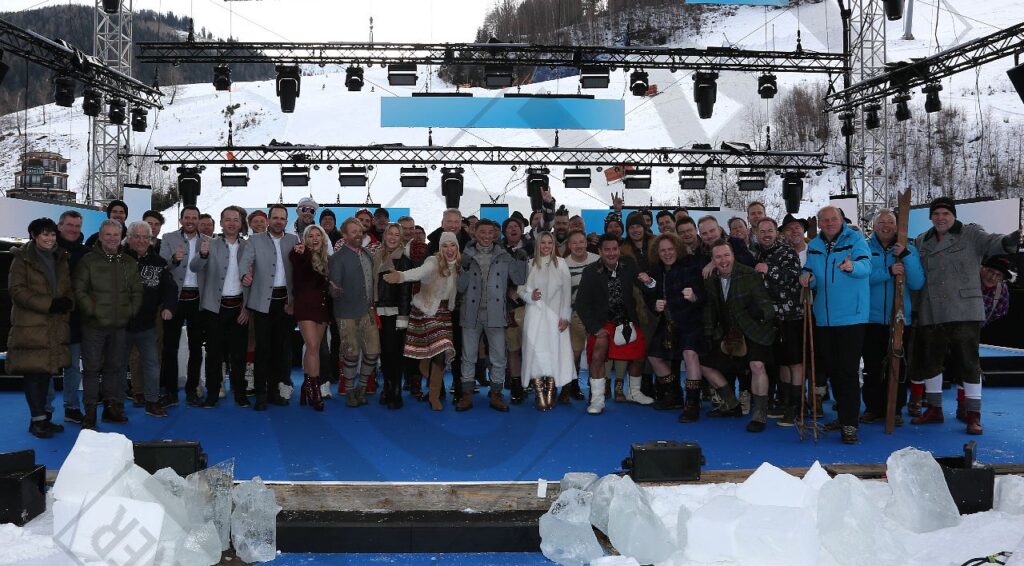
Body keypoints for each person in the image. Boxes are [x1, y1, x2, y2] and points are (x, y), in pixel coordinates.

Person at [910, 197, 1019, 434]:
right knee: (931, 363)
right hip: (932, 310)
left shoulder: (971, 234)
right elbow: (917, 278)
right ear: (930, 217)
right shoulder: (921, 241)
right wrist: (916, 310)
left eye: (945, 214)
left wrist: (1009, 241)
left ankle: (973, 415)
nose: (941, 218)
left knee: (969, 364)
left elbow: (993, 242)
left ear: (954, 216)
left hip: (964, 310)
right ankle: (934, 409)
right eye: (936, 214)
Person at [799, 206, 872, 444]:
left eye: (834, 219)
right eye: (825, 220)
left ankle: (850, 423)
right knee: (832, 370)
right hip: (824, 317)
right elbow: (810, 270)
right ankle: (843, 416)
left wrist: (852, 267)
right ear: (819, 223)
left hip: (851, 316)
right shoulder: (815, 245)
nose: (830, 223)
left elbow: (866, 266)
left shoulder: (855, 239)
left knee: (848, 371)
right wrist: (806, 277)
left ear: (842, 220)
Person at [701, 240, 777, 432]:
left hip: (754, 329)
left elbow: (768, 307)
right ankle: (731, 403)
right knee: (704, 364)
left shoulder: (749, 274)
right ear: (713, 260)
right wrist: (708, 334)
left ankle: (759, 413)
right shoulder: (710, 279)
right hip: (728, 332)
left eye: (726, 255)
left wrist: (761, 313)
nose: (723, 260)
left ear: (733, 256)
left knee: (757, 365)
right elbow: (710, 309)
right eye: (718, 257)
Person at [8, 218, 73, 438]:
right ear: (34, 236)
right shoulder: (22, 259)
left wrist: (67, 302)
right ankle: (37, 421)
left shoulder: (60, 257)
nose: (50, 238)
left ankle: (43, 419)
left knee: (45, 375)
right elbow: (17, 291)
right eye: (45, 234)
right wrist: (48, 304)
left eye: (52, 234)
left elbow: (67, 287)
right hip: (30, 326)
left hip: (54, 326)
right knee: (34, 375)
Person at [74, 219, 142, 428]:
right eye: (108, 234)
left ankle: (111, 409)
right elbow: (79, 291)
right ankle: (90, 412)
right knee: (92, 370)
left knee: (115, 368)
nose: (112, 238)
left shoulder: (129, 262)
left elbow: (137, 292)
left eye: (116, 234)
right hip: (93, 327)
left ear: (121, 236)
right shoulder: (88, 261)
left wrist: (129, 313)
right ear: (100, 236)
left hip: (119, 326)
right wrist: (93, 312)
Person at [575, 234, 652, 415]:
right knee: (597, 355)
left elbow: (645, 286)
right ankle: (597, 399)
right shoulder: (590, 272)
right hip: (603, 323)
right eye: (607, 250)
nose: (611, 253)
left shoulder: (629, 265)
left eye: (614, 249)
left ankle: (634, 392)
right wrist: (595, 328)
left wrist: (649, 281)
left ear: (619, 250)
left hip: (627, 320)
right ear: (600, 251)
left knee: (640, 356)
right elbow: (581, 304)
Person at [383, 231, 461, 411]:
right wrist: (400, 276)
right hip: (426, 311)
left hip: (444, 313)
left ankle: (432, 387)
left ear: (457, 248)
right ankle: (434, 395)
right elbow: (418, 272)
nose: (449, 249)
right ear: (440, 248)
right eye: (445, 246)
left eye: (452, 245)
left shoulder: (458, 265)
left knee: (439, 353)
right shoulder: (433, 262)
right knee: (441, 350)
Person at [456, 219, 528, 412]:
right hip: (471, 312)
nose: (487, 236)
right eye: (482, 232)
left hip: (495, 312)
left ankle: (496, 393)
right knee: (468, 356)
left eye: (490, 232)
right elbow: (460, 287)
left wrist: (521, 260)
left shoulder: (504, 255)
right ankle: (467, 393)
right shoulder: (465, 255)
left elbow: (520, 279)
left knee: (499, 357)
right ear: (475, 233)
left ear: (496, 234)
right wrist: (463, 268)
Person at [860, 210, 925, 426]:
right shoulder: (864, 248)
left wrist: (906, 256)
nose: (886, 226)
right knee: (872, 365)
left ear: (897, 226)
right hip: (871, 318)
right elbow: (862, 278)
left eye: (890, 222)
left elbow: (917, 283)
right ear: (874, 226)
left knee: (898, 365)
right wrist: (888, 271)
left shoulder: (908, 249)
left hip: (899, 318)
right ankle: (873, 407)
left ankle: (895, 408)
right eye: (881, 222)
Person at [240, 203, 298, 410]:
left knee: (279, 350)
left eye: (282, 218)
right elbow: (244, 263)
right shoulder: (254, 240)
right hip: (262, 302)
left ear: (286, 221)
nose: (279, 221)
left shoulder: (294, 240)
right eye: (275, 218)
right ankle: (261, 395)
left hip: (285, 303)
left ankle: (274, 392)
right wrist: (244, 275)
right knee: (262, 349)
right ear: (269, 219)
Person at [190, 206, 249, 408]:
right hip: (214, 308)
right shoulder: (209, 243)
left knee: (238, 355)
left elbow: (254, 278)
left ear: (240, 223)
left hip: (239, 307)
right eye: (228, 219)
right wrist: (202, 255)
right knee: (213, 354)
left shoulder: (247, 246)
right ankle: (212, 394)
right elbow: (194, 267)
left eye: (235, 219)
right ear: (221, 223)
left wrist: (246, 308)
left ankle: (240, 394)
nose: (232, 223)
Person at [642, 233, 704, 417]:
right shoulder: (655, 270)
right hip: (668, 321)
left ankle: (693, 403)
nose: (667, 253)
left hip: (691, 320)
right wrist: (655, 305)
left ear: (677, 249)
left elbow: (704, 294)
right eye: (663, 250)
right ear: (657, 252)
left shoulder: (691, 265)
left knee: (690, 354)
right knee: (654, 356)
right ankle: (674, 395)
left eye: (670, 249)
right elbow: (649, 296)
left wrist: (694, 297)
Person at [750, 218, 805, 427]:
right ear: (756, 233)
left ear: (776, 233)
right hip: (771, 318)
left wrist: (768, 270)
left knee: (794, 362)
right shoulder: (757, 254)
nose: (766, 234)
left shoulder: (787, 252)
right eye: (762, 231)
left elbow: (793, 278)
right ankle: (785, 402)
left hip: (790, 316)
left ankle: (796, 407)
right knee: (782, 362)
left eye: (770, 230)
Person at [123, 221, 177, 418]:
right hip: (121, 323)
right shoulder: (117, 260)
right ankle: (116, 404)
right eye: (137, 236)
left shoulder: (159, 263)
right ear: (129, 238)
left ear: (151, 239)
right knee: (118, 365)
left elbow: (170, 288)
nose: (141, 241)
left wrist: (169, 307)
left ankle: (152, 402)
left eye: (145, 237)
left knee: (152, 364)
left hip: (147, 323)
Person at [159, 206, 210, 407]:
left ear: (198, 220)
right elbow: (162, 266)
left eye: (194, 218)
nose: (190, 221)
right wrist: (174, 260)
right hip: (174, 299)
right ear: (181, 220)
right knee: (169, 347)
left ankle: (192, 390)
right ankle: (170, 391)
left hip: (198, 299)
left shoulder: (208, 241)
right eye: (187, 217)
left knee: (196, 348)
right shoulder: (168, 238)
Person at [518, 232, 574, 411]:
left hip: (556, 318)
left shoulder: (561, 264)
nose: (547, 246)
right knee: (535, 353)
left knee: (554, 352)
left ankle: (551, 388)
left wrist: (565, 317)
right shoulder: (529, 264)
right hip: (535, 317)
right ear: (537, 244)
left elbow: (567, 293)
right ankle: (539, 391)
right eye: (543, 242)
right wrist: (530, 296)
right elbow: (520, 290)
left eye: (550, 242)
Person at [329, 218, 381, 408]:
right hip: (346, 313)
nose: (358, 234)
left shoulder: (367, 253)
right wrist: (333, 290)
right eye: (353, 231)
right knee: (350, 354)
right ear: (344, 235)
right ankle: (350, 390)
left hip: (368, 311)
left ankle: (362, 388)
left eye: (360, 231)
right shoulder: (337, 258)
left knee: (373, 352)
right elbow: (333, 290)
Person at [290, 224, 333, 411]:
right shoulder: (300, 254)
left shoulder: (327, 259)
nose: (315, 239)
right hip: (305, 307)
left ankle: (306, 387)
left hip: (322, 308)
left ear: (323, 238)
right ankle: (315, 391)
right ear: (305, 239)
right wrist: (302, 252)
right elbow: (297, 268)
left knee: (312, 348)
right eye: (310, 236)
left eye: (318, 235)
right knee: (314, 346)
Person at [372, 223, 415, 410]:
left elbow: (406, 292)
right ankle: (387, 387)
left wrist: (403, 318)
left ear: (401, 238)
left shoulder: (404, 261)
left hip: (395, 313)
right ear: (385, 235)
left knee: (394, 354)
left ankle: (396, 390)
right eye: (390, 233)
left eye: (397, 235)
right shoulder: (376, 256)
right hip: (378, 311)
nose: (392, 237)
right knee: (384, 352)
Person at [55, 210, 87, 424]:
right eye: (69, 225)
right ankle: (44, 411)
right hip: (50, 317)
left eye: (77, 226)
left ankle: (72, 407)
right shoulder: (47, 250)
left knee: (73, 367)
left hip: (76, 319)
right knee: (46, 367)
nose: (73, 230)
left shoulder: (85, 253)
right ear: (60, 226)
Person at [564, 230, 599, 402]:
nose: (578, 245)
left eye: (581, 242)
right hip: (574, 315)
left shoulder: (597, 260)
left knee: (595, 353)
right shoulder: (563, 264)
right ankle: (573, 386)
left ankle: (595, 388)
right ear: (569, 245)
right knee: (575, 354)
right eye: (574, 242)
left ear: (586, 243)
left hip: (595, 316)